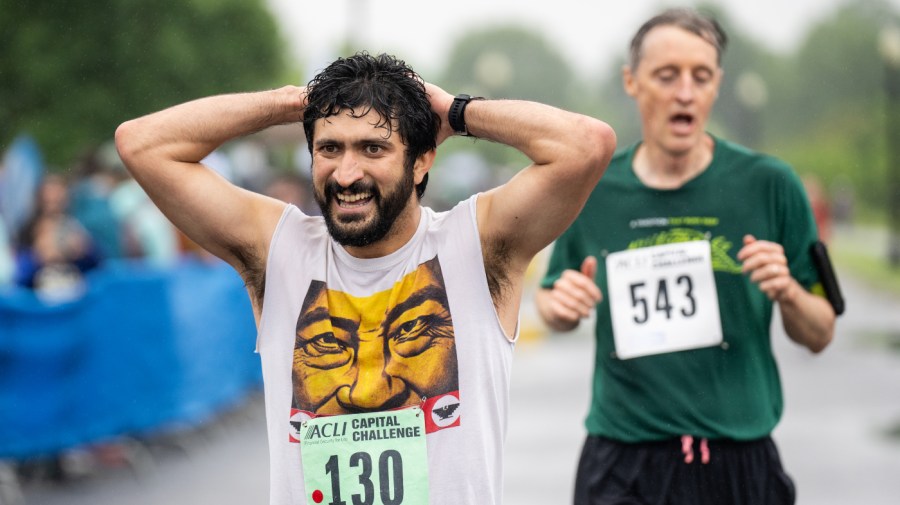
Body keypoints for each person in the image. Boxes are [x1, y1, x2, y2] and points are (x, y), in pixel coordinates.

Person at [115, 52, 615, 505]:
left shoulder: (477, 245)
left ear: (421, 161)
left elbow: (586, 144)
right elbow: (140, 143)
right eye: (330, 147)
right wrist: (296, 102)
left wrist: (453, 110)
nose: (346, 173)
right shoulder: (279, 250)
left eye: (373, 148)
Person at [535, 9, 835, 505]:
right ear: (632, 81)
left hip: (739, 460)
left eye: (701, 76)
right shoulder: (594, 188)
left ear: (718, 83)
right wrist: (559, 306)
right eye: (667, 75)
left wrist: (787, 292)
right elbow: (551, 299)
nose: (685, 93)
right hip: (623, 460)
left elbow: (821, 332)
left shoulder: (771, 184)